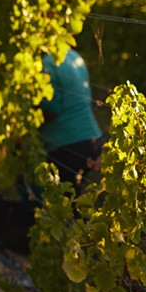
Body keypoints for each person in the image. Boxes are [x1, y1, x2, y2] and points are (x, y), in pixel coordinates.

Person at [38, 48, 104, 195]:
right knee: (73, 196)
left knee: (58, 199)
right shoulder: (75, 56)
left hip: (67, 145)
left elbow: (51, 111)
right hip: (91, 140)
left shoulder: (47, 64)